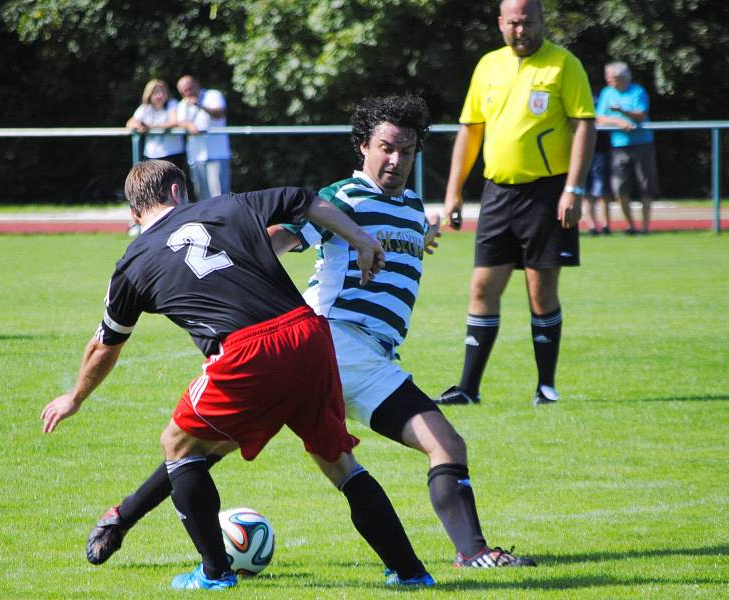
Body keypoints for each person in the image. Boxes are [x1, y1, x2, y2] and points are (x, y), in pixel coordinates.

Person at [84, 96, 536, 571]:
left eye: (406, 150)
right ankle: (471, 555)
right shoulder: (344, 196)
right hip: (335, 342)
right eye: (386, 148)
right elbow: (287, 234)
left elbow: (395, 237)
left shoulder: (411, 207)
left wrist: (417, 237)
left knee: (207, 447)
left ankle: (121, 517)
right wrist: (236, 265)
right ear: (363, 146)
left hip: (366, 354)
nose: (395, 160)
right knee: (430, 446)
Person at [40, 159, 435, 590]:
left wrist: (75, 396)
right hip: (309, 335)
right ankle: (411, 572)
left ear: (134, 213)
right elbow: (306, 199)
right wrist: (361, 239)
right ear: (178, 192)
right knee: (340, 464)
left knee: (177, 445)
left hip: (247, 352)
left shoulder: (132, 264)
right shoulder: (228, 206)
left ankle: (214, 574)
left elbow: (104, 345)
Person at [438, 0, 596, 407]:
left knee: (540, 291)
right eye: (513, 24)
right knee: (481, 287)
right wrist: (454, 191)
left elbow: (584, 126)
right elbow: (470, 131)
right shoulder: (488, 65)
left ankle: (546, 387)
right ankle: (468, 389)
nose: (521, 31)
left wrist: (573, 189)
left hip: (547, 193)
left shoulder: (564, 64)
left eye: (528, 23)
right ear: (500, 24)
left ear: (541, 22)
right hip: (497, 193)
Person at [596, 62, 658, 234]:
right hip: (618, 146)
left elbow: (641, 115)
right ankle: (630, 226)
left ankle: (645, 228)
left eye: (612, 78)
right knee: (619, 188)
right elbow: (599, 118)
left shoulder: (638, 91)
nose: (609, 81)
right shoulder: (607, 93)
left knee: (645, 187)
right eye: (607, 78)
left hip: (642, 144)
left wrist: (622, 111)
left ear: (623, 77)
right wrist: (617, 121)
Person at [176, 75, 231, 201]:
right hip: (196, 156)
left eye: (190, 88)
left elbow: (219, 113)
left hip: (218, 153)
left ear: (196, 84)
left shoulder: (213, 95)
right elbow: (180, 121)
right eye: (184, 91)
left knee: (221, 196)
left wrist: (199, 104)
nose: (188, 92)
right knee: (202, 197)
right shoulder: (182, 105)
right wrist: (189, 125)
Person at [126, 79, 186, 171]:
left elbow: (174, 122)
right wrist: (139, 126)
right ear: (149, 94)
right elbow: (130, 123)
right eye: (156, 92)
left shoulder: (172, 104)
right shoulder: (145, 108)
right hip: (151, 155)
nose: (159, 95)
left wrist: (150, 127)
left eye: (162, 91)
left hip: (173, 154)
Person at [584, 94, 614, 236]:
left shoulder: (600, 100)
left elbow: (602, 119)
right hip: (581, 153)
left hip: (600, 151)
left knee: (602, 190)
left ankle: (606, 225)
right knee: (585, 192)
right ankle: (591, 226)